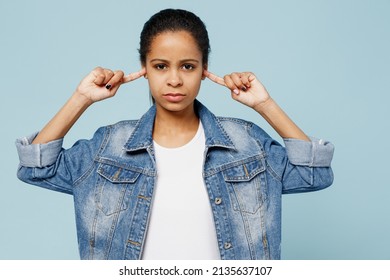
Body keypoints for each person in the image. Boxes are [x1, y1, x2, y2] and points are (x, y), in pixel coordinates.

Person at [15, 8, 334, 260]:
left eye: (187, 66)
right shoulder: (108, 148)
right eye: (160, 66)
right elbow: (36, 168)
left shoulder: (246, 143)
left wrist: (265, 104)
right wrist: (81, 98)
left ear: (205, 69)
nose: (174, 80)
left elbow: (314, 175)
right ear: (143, 68)